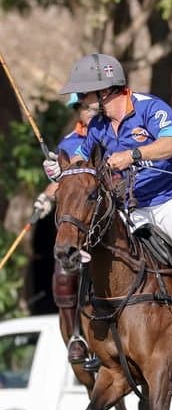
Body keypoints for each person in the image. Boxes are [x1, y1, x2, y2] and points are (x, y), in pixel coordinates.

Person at [46, 53, 172, 361]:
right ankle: (93, 336)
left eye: (85, 93)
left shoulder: (150, 108)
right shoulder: (97, 126)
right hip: (130, 206)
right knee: (96, 257)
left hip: (170, 197)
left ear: (106, 89)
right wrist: (60, 169)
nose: (81, 99)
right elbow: (80, 163)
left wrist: (133, 154)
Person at [35, 93, 97, 365]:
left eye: (95, 106)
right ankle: (75, 335)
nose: (91, 111)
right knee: (64, 268)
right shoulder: (70, 144)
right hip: (85, 220)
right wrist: (47, 196)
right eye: (84, 107)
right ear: (77, 111)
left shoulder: (116, 134)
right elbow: (65, 183)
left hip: (113, 211)